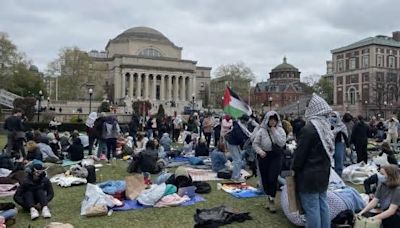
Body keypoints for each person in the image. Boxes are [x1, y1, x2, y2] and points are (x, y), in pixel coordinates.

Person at [292, 94, 333, 228]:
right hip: (323, 172)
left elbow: (300, 154)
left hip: (309, 174)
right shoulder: (326, 128)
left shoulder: (309, 129)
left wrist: (294, 169)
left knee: (312, 208)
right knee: (323, 205)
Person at [253, 111, 287, 213]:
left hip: (276, 156)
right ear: (267, 120)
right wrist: (260, 151)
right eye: (271, 120)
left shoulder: (280, 130)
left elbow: (281, 143)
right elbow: (255, 144)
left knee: (273, 177)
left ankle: (272, 199)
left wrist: (274, 131)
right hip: (264, 156)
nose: (272, 122)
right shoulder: (261, 131)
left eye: (274, 120)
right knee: (265, 179)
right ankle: (268, 197)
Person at [225, 115, 250, 183]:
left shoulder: (239, 125)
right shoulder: (238, 126)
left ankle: (237, 175)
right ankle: (235, 177)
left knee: (238, 160)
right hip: (233, 144)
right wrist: (246, 139)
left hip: (234, 144)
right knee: (238, 160)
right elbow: (240, 136)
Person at [330, 111, 349, 177]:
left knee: (339, 159)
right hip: (330, 143)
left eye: (334, 116)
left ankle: (338, 174)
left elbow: (345, 135)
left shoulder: (341, 126)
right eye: (332, 116)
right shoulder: (327, 125)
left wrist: (348, 145)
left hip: (339, 143)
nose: (333, 118)